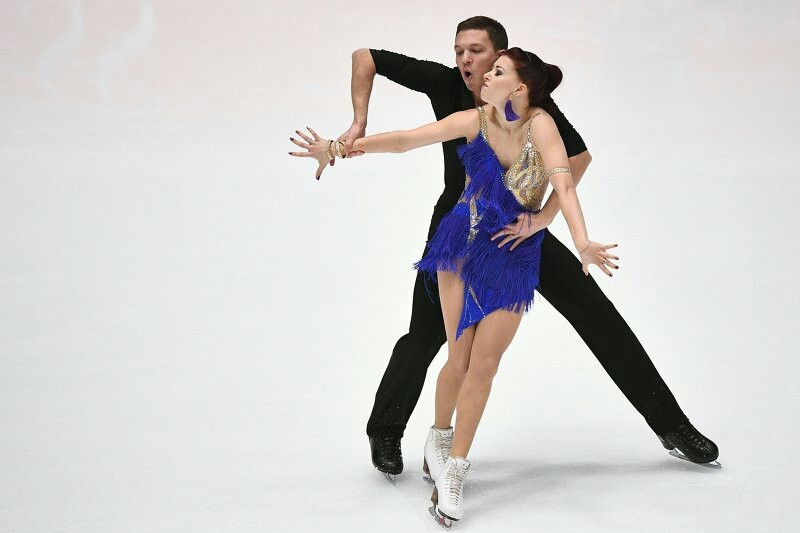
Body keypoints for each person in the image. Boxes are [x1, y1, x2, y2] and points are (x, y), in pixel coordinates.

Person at [330, 16, 719, 479]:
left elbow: (577, 159)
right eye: (459, 51)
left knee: (594, 310)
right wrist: (357, 124)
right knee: (426, 333)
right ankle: (388, 429)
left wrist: (544, 217)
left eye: (476, 52)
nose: (465, 61)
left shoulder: (532, 104)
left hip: (516, 232)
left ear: (502, 61)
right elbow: (365, 58)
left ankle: (672, 425)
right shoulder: (447, 85)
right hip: (459, 229)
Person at [291, 46, 620, 525]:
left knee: (485, 366)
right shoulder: (476, 118)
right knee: (459, 357)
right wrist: (340, 148)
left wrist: (575, 235)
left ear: (521, 88)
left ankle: (455, 471)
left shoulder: (543, 125)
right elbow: (406, 139)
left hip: (513, 252)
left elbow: (564, 181)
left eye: (498, 71)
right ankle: (438, 440)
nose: (484, 74)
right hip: (462, 244)